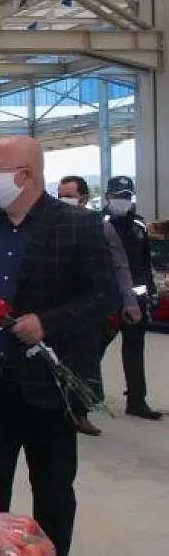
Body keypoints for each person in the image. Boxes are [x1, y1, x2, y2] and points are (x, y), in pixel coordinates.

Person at [0, 136, 118, 556]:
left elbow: (103, 296)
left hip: (47, 389)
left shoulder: (79, 226)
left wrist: (48, 322)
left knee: (53, 489)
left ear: (26, 175)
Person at [56, 175, 135, 436]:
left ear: (84, 198)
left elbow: (120, 265)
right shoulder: (51, 224)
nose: (64, 199)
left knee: (86, 361)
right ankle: (58, 410)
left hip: (88, 307)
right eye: (60, 194)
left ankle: (81, 413)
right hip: (55, 306)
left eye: (69, 194)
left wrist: (129, 301)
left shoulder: (99, 226)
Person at [102, 175, 162, 421]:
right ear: (107, 197)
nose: (122, 201)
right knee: (93, 349)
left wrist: (150, 293)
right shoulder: (97, 223)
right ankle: (82, 399)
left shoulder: (138, 225)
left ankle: (137, 400)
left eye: (126, 196)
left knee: (135, 349)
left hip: (135, 299)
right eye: (117, 196)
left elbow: (145, 262)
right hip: (107, 299)